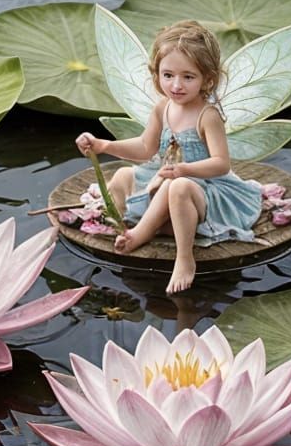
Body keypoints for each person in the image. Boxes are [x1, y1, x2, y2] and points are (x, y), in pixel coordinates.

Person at [75, 20, 262, 294]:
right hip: (164, 179)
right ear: (157, 74)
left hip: (204, 188)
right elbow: (144, 148)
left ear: (207, 79)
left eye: (188, 77)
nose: (176, 85)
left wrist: (184, 169)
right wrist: (104, 145)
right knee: (124, 175)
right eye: (168, 75)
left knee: (178, 187)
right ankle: (130, 225)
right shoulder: (162, 107)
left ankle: (182, 256)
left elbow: (221, 163)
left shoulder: (207, 116)